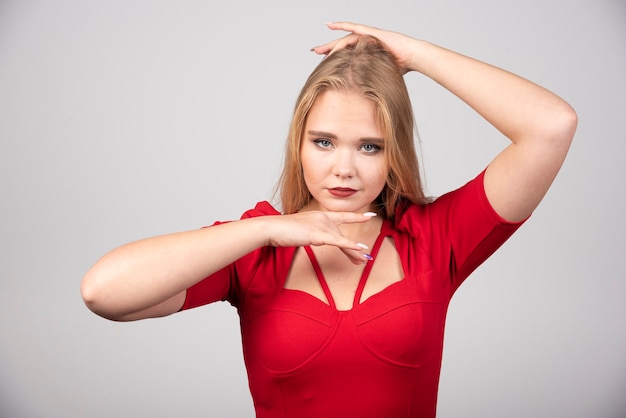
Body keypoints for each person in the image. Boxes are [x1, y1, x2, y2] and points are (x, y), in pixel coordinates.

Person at [81, 22, 577, 417]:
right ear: (298, 145)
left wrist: (417, 54)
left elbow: (551, 127)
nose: (344, 168)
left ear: (394, 153)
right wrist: (266, 229)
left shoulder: (435, 237)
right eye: (323, 142)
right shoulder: (253, 251)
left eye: (369, 146)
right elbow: (104, 291)